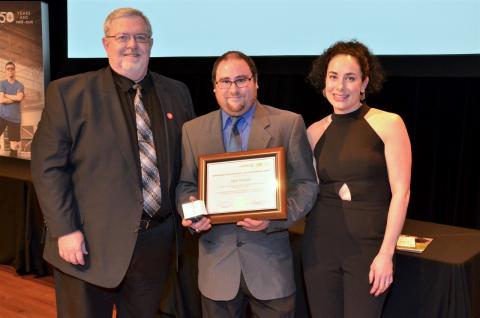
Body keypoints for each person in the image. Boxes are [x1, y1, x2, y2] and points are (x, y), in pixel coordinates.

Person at [31, 7, 195, 318]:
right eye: (122, 37)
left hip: (154, 245)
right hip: (88, 245)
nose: (132, 44)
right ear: (106, 44)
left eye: (140, 37)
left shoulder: (176, 92)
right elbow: (47, 167)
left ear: (151, 44)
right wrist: (65, 230)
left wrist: (192, 205)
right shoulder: (68, 93)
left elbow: (186, 162)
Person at [176, 51, 318, 318]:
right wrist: (194, 215)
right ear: (215, 87)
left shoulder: (288, 124)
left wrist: (273, 219)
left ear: (255, 82)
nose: (233, 88)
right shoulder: (192, 130)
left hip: (270, 266)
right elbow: (185, 185)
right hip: (217, 269)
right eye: (225, 81)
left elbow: (306, 184)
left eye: (241, 80)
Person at [302, 40, 411, 317]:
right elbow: (306, 190)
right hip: (319, 246)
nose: (340, 87)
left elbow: (402, 192)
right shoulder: (314, 131)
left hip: (368, 247)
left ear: (364, 83)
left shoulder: (389, 123)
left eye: (350, 78)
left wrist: (386, 254)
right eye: (333, 77)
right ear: (323, 81)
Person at [0, 61, 25, 153]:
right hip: (1, 116)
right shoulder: (2, 84)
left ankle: (13, 164)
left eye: (12, 69)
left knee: (14, 145)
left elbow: (19, 98)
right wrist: (16, 98)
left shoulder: (20, 85)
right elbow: (1, 100)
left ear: (14, 71)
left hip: (15, 118)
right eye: (8, 69)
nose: (10, 70)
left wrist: (6, 95)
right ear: (5, 71)